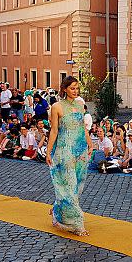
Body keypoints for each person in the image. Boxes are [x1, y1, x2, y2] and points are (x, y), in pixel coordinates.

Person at [46, 76, 91, 236]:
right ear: (64, 89)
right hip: (64, 151)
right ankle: (78, 224)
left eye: (77, 88)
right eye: (72, 88)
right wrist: (48, 150)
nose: (75, 91)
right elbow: (54, 130)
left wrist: (89, 143)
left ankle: (58, 209)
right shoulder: (56, 107)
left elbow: (83, 127)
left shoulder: (80, 104)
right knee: (69, 186)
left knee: (78, 185)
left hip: (80, 150)